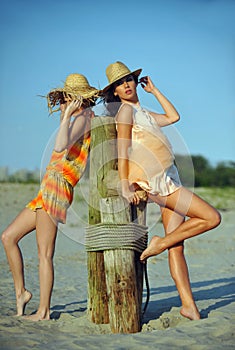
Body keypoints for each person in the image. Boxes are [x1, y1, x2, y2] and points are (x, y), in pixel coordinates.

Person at [102, 61, 221, 320]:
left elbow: (173, 117)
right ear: (115, 91)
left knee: (177, 245)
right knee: (212, 217)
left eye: (129, 80)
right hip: (155, 181)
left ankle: (188, 306)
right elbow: (122, 149)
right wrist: (124, 183)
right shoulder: (125, 112)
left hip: (170, 177)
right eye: (121, 83)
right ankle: (159, 244)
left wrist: (154, 91)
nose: (127, 85)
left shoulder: (142, 111)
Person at [1, 73, 99, 321]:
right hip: (48, 184)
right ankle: (21, 292)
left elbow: (59, 146)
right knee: (8, 237)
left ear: (80, 98)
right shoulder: (78, 117)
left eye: (68, 96)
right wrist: (66, 115)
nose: (65, 101)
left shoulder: (85, 117)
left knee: (45, 253)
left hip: (58, 185)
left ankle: (43, 311)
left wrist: (66, 116)